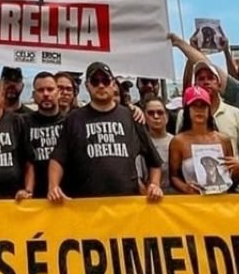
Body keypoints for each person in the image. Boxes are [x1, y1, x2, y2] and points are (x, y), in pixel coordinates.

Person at [49, 62, 163, 201]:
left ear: (113, 84)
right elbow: (58, 159)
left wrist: (154, 185)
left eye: (105, 80)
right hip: (85, 206)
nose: (101, 85)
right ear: (87, 86)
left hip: (126, 204)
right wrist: (53, 186)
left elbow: (154, 162)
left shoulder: (130, 117)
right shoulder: (74, 119)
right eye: (95, 81)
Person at [168, 87, 236, 195]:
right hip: (193, 203)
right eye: (194, 106)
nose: (199, 110)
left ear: (209, 110)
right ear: (187, 110)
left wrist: (238, 168)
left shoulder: (223, 140)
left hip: (222, 201)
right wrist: (185, 188)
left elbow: (231, 173)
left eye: (203, 106)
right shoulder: (178, 141)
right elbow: (173, 176)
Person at [175, 61, 239, 157]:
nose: (206, 82)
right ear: (195, 85)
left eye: (210, 78)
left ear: (219, 84)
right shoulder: (183, 114)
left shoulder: (236, 114)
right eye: (201, 79)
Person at [26, 72, 65, 199]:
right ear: (33, 95)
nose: (46, 94)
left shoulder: (71, 122)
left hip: (65, 195)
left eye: (50, 89)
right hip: (33, 197)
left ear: (58, 92)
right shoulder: (22, 122)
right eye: (40, 90)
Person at [140, 96, 174, 192]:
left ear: (167, 116)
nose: (156, 116)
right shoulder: (139, 143)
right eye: (151, 113)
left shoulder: (176, 142)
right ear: (144, 116)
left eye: (160, 112)